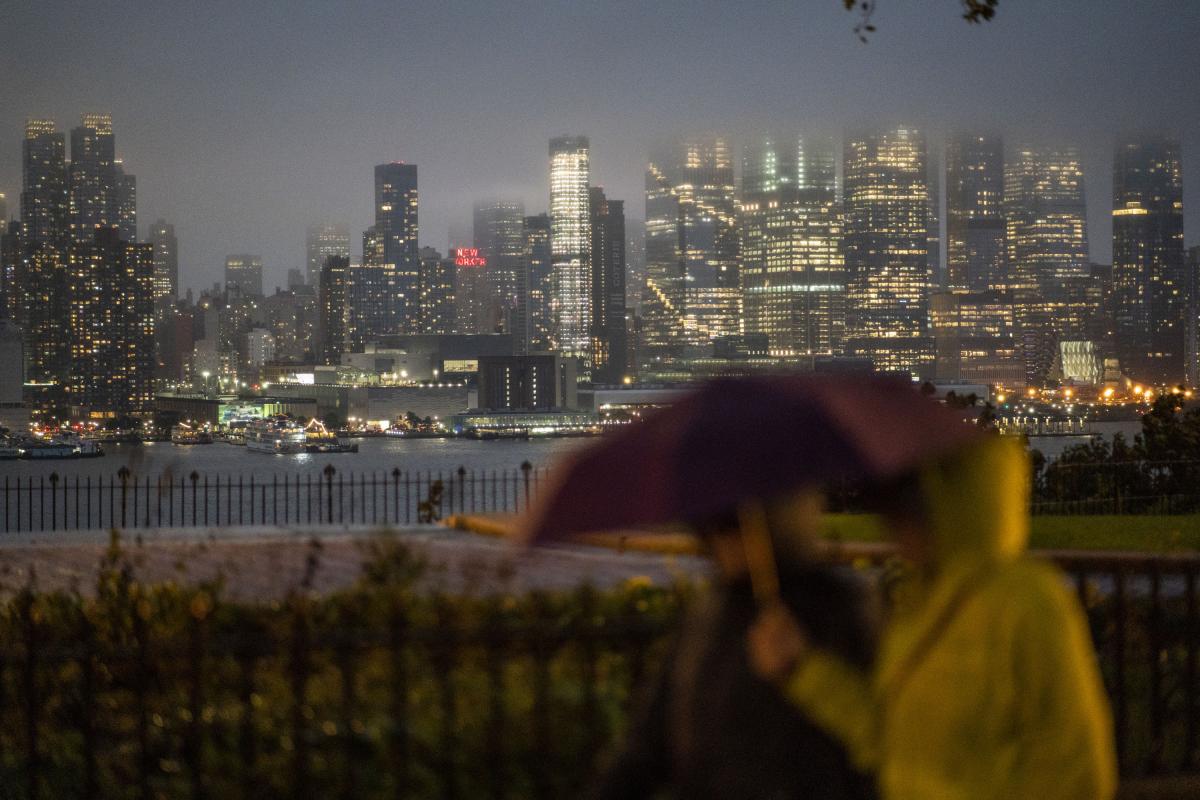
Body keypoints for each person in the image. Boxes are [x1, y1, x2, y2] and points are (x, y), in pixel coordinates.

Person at [747, 436, 1117, 800]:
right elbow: (891, 739)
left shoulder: (1025, 603)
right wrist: (802, 669)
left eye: (904, 511)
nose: (892, 528)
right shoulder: (922, 603)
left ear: (944, 511)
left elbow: (1077, 770)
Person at [590, 489, 879, 800]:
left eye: (729, 525)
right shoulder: (709, 613)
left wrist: (802, 670)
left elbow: (871, 745)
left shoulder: (829, 609)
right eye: (708, 526)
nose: (718, 541)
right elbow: (647, 747)